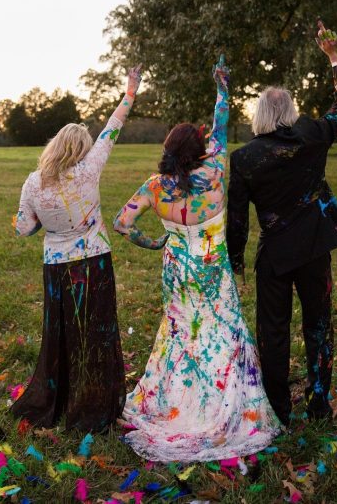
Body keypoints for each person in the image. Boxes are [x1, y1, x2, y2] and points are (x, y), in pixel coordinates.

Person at [113, 55, 280, 463]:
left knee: (181, 333)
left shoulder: (155, 186)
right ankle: (221, 402)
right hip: (211, 267)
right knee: (220, 330)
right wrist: (222, 87)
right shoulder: (218, 171)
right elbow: (221, 123)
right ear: (202, 148)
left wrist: (152, 243)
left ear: (168, 150)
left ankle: (176, 400)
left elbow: (121, 223)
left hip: (177, 268)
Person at [226, 22, 337, 426]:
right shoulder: (313, 135)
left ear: (261, 115)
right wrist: (335, 58)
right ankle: (318, 403)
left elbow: (237, 218)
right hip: (315, 248)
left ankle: (278, 407)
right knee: (318, 325)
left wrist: (234, 260)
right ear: (291, 112)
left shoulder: (245, 157)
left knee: (273, 330)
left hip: (276, 255)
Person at [10, 65, 142, 432]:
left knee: (62, 333)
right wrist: (130, 91)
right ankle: (96, 403)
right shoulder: (89, 169)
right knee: (95, 333)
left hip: (56, 266)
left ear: (54, 146)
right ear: (81, 149)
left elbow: (22, 228)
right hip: (94, 262)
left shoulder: (33, 182)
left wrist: (38, 220)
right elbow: (112, 128)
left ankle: (60, 398)